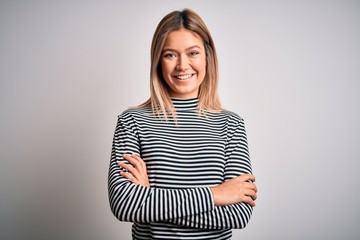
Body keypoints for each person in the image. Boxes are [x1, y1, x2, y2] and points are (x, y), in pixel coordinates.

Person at [108, 8, 258, 240]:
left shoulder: (231, 125)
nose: (182, 65)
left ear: (207, 57)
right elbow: (125, 204)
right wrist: (216, 195)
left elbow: (238, 215)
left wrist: (150, 198)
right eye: (170, 54)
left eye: (193, 53)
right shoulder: (132, 122)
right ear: (158, 60)